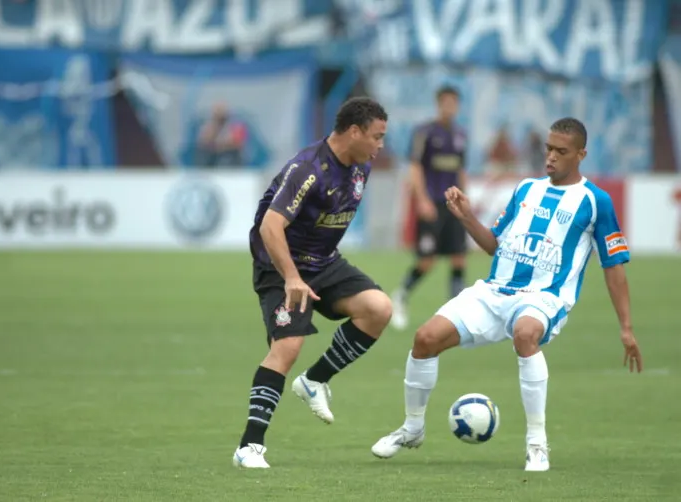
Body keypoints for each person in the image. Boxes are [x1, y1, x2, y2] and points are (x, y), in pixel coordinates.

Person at [371, 118, 643, 472]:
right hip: (494, 292)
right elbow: (493, 246)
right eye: (548, 149)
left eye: (561, 151)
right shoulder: (526, 189)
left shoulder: (596, 201)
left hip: (544, 297)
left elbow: (614, 267)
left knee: (526, 334)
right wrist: (467, 217)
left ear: (581, 154)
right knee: (424, 339)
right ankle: (412, 429)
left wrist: (626, 328)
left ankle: (537, 444)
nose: (551, 157)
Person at [233, 97, 392, 469]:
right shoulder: (309, 169)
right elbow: (270, 226)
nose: (381, 146)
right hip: (280, 266)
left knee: (378, 309)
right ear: (354, 132)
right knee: (288, 347)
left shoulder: (359, 167)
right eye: (377, 136)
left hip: (324, 264)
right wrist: (290, 277)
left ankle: (314, 381)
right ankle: (249, 447)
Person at [391, 86, 468, 331]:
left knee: (458, 257)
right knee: (427, 260)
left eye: (454, 103)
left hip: (452, 205)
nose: (450, 107)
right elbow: (415, 167)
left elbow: (460, 170)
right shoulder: (424, 132)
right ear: (438, 104)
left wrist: (464, 201)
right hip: (432, 203)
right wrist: (421, 200)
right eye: (446, 102)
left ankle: (456, 313)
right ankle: (400, 295)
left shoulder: (460, 135)